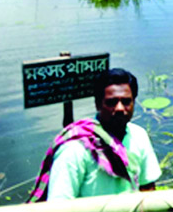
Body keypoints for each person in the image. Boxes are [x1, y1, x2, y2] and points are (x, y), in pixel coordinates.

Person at [28, 68, 161, 202]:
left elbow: (147, 187)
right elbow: (58, 205)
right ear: (97, 104)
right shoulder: (75, 149)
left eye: (126, 101)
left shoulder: (139, 135)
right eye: (111, 102)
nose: (120, 108)